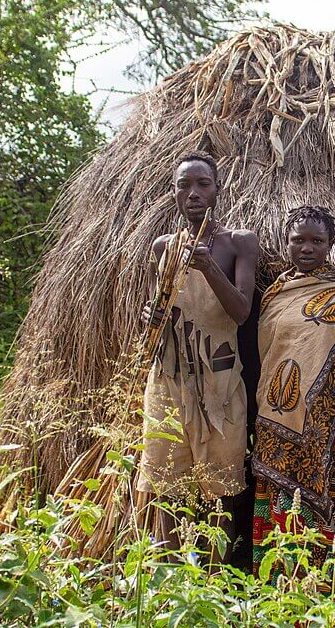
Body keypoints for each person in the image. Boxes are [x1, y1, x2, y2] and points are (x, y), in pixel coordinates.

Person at [137, 151, 259, 561]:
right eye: (184, 186)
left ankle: (215, 575)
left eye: (202, 184)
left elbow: (241, 312)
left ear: (217, 189)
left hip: (219, 382)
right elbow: (164, 312)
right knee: (167, 484)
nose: (193, 193)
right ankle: (168, 573)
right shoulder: (164, 247)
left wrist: (208, 267)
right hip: (169, 379)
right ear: (173, 193)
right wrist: (150, 316)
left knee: (221, 489)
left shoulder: (239, 242)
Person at [252, 206, 335, 590]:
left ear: (330, 244)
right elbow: (268, 358)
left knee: (333, 519)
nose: (307, 248)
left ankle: (328, 598)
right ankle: (279, 596)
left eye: (317, 241)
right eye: (299, 240)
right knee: (279, 517)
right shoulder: (274, 295)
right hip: (277, 426)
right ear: (286, 242)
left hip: (334, 429)